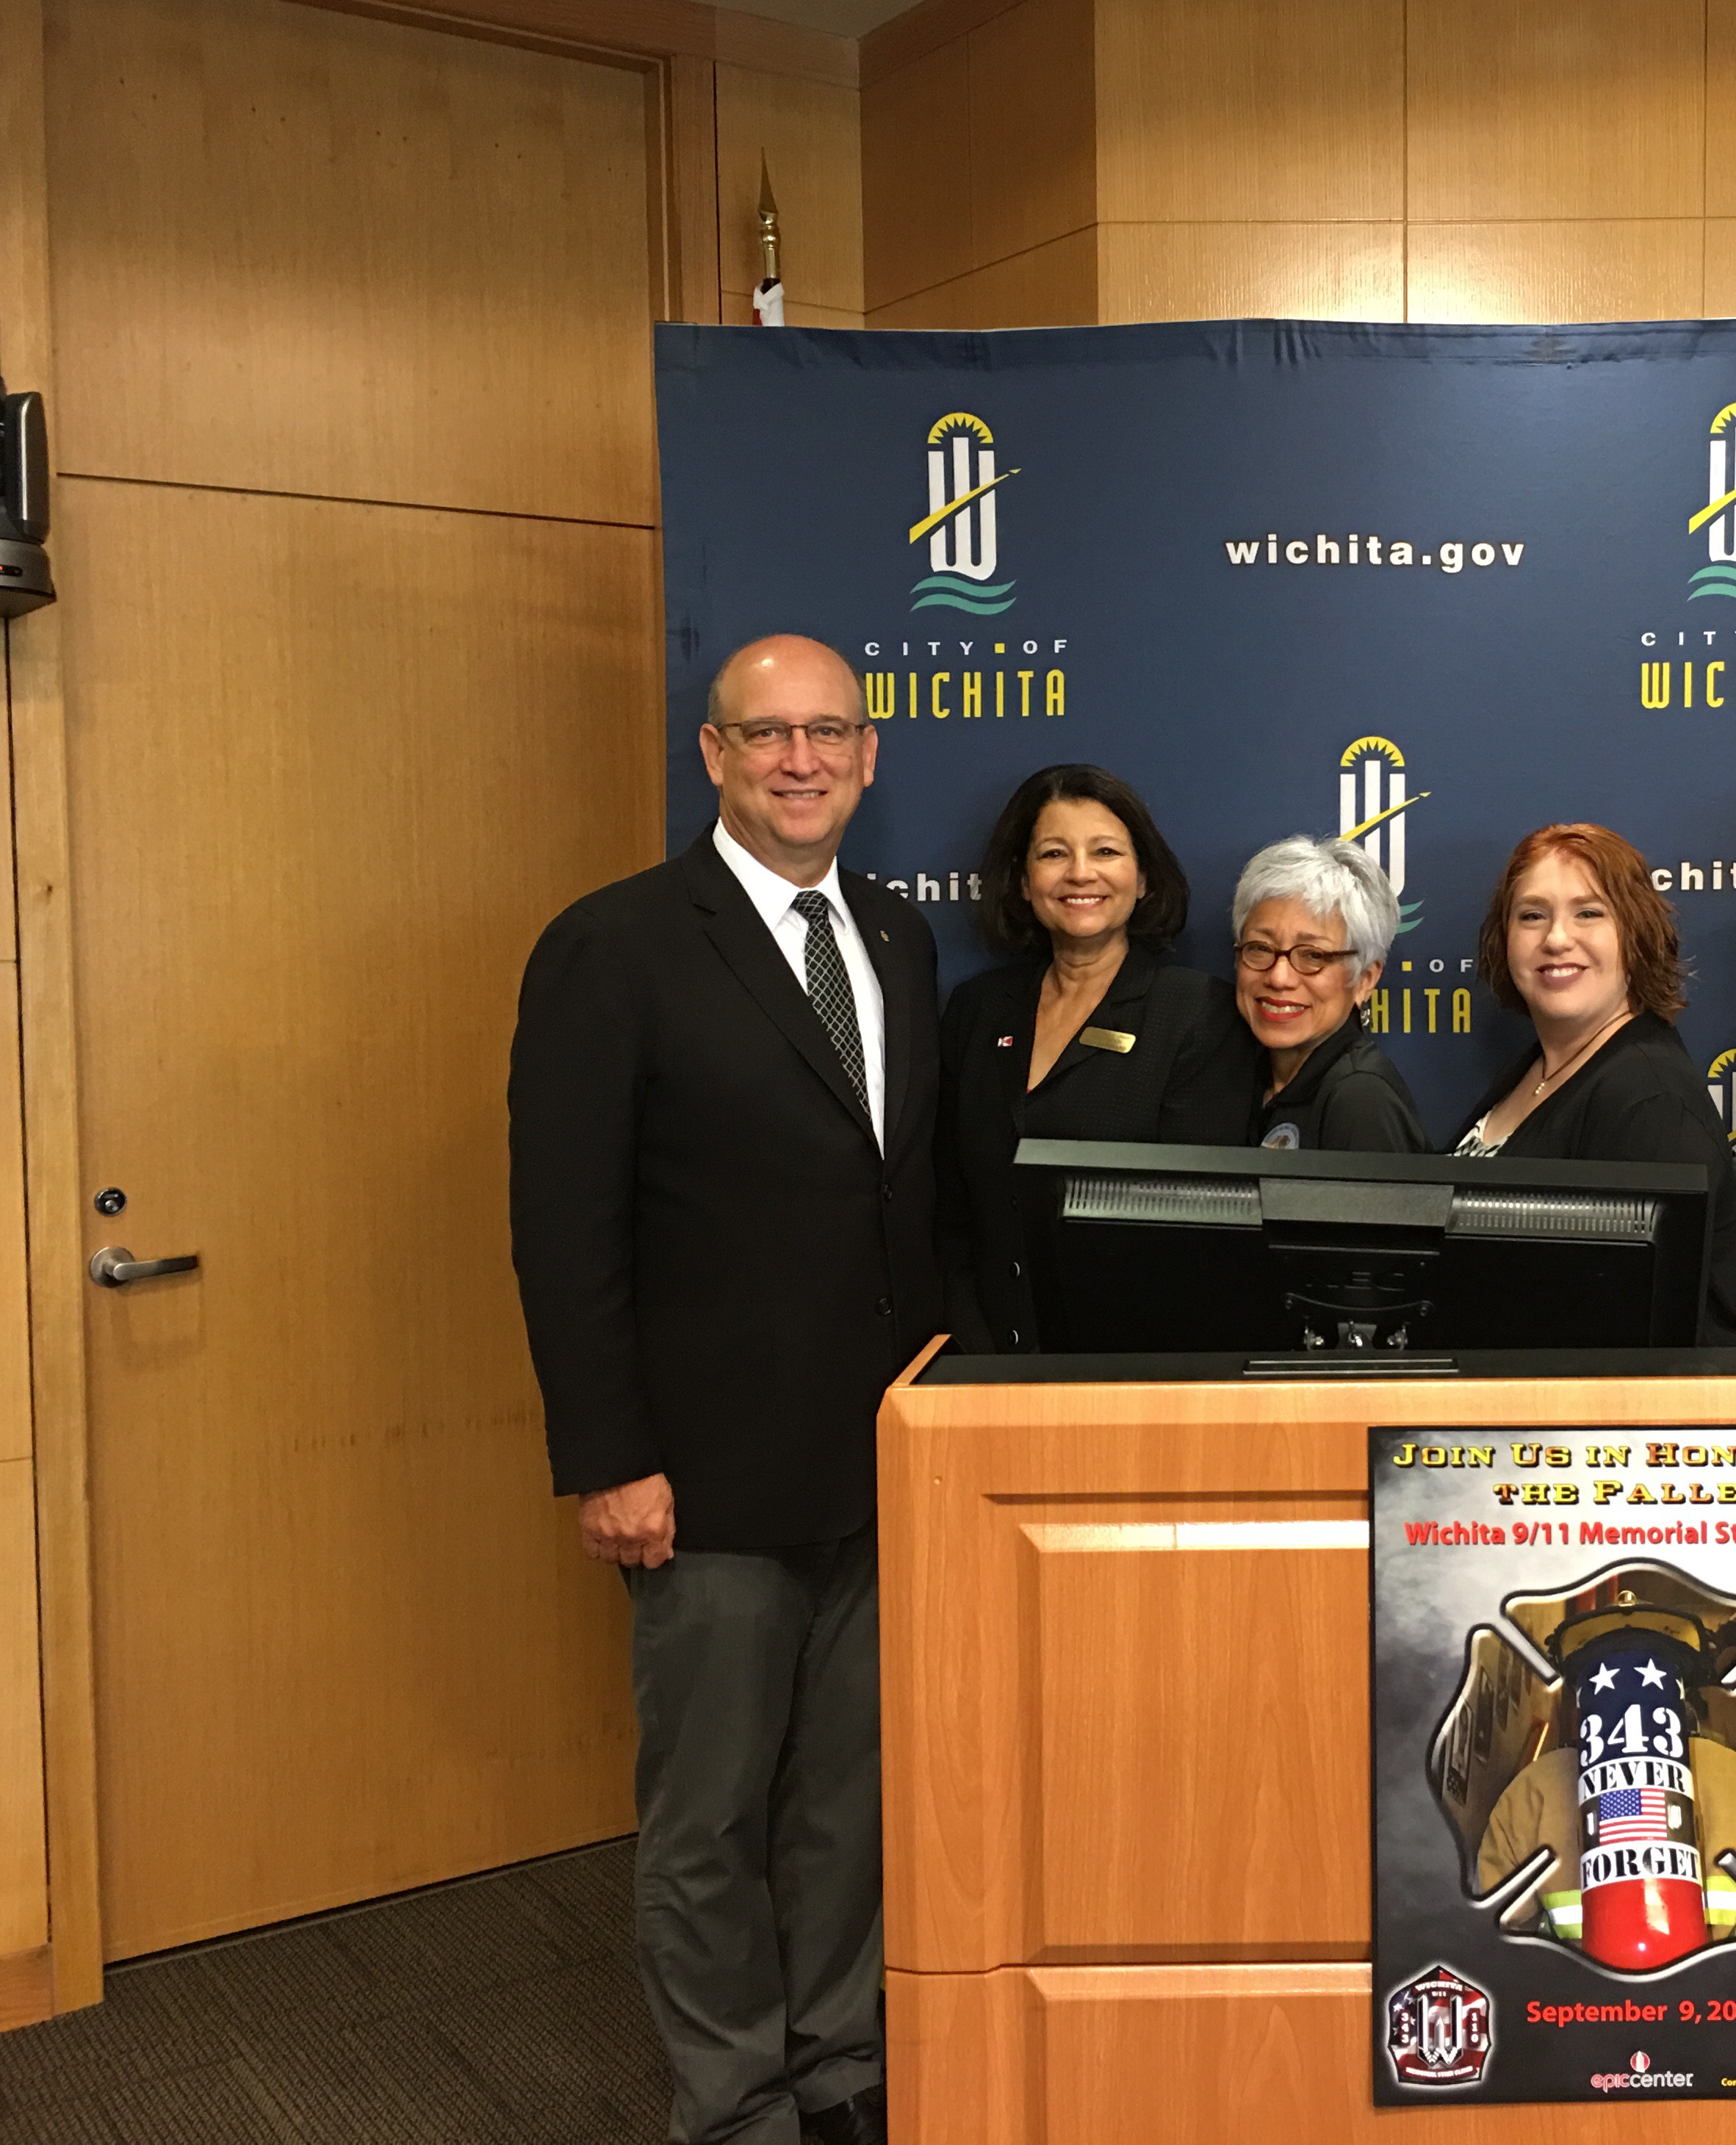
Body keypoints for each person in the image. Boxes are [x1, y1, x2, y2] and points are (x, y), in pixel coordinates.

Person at [509, 634, 932, 2145]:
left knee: (841, 1812)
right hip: (701, 1483)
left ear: (870, 755)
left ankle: (840, 2073)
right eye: (767, 736)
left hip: (875, 1474)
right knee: (707, 1827)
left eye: (828, 733)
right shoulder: (613, 946)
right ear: (714, 756)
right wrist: (609, 1459)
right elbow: (565, 1230)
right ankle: (735, 2104)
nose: (800, 760)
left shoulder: (895, 937)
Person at [939, 764, 1253, 1350]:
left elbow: (1197, 1238)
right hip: (981, 1368)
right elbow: (953, 1218)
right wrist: (976, 1354)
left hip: (1128, 1373)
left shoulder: (1196, 1014)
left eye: (1105, 851)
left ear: (1143, 880)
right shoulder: (976, 1011)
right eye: (1054, 853)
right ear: (1024, 880)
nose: (1080, 873)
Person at [1452, 822, 1736, 1340]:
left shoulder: (1653, 1102)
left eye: (1589, 913)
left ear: (1635, 933)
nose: (1557, 939)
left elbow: (1641, 1334)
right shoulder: (1537, 1067)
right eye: (1532, 916)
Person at [1231, 834, 1427, 1153]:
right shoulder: (1236, 1077)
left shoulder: (1361, 1099)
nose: (1279, 978)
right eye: (1261, 948)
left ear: (1365, 979)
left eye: (1313, 956)